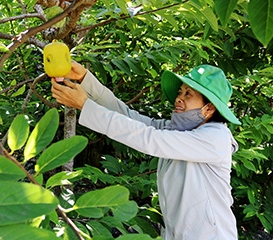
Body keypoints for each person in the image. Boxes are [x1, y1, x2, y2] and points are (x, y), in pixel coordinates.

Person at [51, 61, 241, 240]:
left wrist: (85, 106)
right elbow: (127, 116)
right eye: (180, 92)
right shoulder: (176, 130)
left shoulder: (216, 138)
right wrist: (85, 79)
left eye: (188, 94)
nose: (178, 99)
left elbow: (149, 139)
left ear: (209, 109)